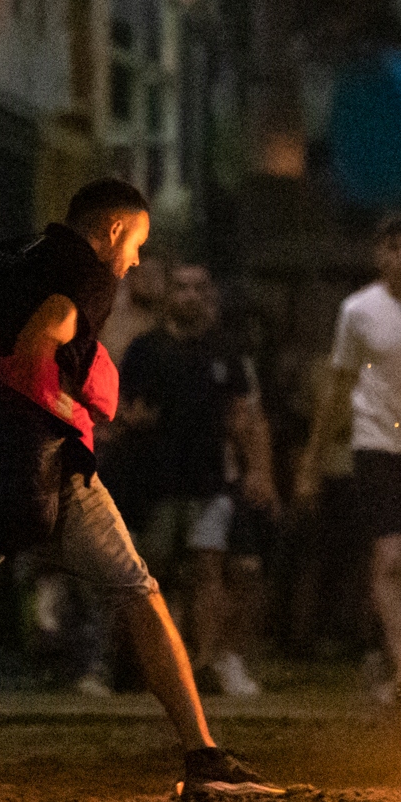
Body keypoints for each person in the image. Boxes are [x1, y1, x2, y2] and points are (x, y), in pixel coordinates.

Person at [0, 179, 281, 802]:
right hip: (43, 468)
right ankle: (204, 758)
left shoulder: (2, 259)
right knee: (139, 590)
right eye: (137, 244)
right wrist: (76, 411)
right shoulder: (87, 274)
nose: (136, 262)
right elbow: (37, 347)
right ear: (114, 230)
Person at [294, 214, 401, 702]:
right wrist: (313, 459)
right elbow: (339, 383)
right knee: (390, 557)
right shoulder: (358, 310)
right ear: (379, 254)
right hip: (377, 444)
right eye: (393, 247)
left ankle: (391, 657)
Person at [117, 263, 279, 696]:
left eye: (198, 288)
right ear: (169, 294)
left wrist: (257, 470)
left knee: (209, 568)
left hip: (209, 480)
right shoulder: (145, 349)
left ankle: (204, 663)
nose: (189, 296)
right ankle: (156, 662)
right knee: (153, 572)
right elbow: (121, 406)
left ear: (209, 295)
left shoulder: (224, 350)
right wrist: (133, 419)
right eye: (181, 287)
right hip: (155, 481)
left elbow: (244, 414)